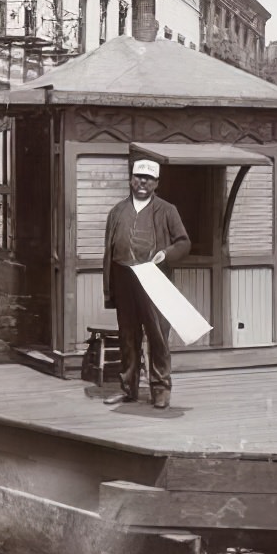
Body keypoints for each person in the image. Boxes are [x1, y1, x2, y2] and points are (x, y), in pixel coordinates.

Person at [102, 157, 191, 409]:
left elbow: (184, 242)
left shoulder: (167, 210)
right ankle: (128, 388)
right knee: (127, 337)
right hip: (124, 279)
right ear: (131, 179)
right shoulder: (117, 212)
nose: (143, 182)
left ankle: (160, 390)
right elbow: (108, 252)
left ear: (156, 183)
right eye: (139, 176)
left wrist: (167, 254)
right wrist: (109, 289)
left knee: (157, 336)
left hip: (155, 280)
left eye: (149, 178)